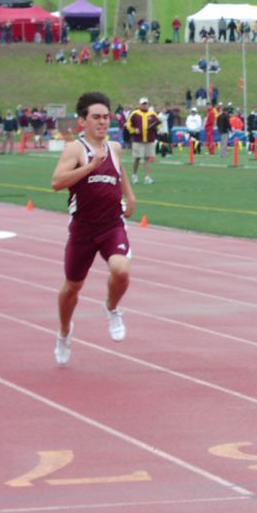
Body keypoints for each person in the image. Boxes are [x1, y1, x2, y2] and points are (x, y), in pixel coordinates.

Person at [51, 91, 136, 365]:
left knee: (121, 269)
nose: (102, 122)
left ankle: (111, 308)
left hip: (112, 224)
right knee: (72, 287)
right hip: (83, 230)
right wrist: (89, 167)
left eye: (105, 117)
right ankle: (64, 332)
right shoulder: (75, 149)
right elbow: (57, 182)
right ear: (82, 122)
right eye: (96, 117)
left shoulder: (115, 148)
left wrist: (130, 195)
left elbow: (119, 170)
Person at [126, 97, 159, 184]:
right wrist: (134, 130)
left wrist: (155, 127)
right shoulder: (135, 114)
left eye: (146, 104)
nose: (144, 105)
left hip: (149, 139)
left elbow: (158, 124)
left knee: (147, 158)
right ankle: (134, 175)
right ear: (139, 104)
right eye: (143, 104)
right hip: (138, 139)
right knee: (137, 158)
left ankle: (147, 177)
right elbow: (128, 125)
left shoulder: (152, 114)